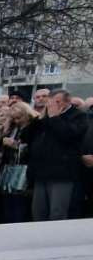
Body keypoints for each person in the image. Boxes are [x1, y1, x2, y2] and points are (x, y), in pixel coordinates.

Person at [21, 88, 88, 221]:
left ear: (66, 102)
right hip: (41, 172)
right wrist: (40, 118)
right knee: (38, 211)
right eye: (51, 101)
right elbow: (26, 136)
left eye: (56, 101)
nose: (52, 104)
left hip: (62, 173)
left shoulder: (78, 116)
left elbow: (69, 135)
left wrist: (55, 118)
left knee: (57, 212)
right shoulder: (47, 116)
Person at [0, 100, 37, 224]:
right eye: (14, 118)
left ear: (27, 114)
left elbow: (35, 149)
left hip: (25, 169)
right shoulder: (12, 127)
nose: (17, 120)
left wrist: (17, 146)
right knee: (7, 201)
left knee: (20, 203)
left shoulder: (34, 127)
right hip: (8, 168)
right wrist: (6, 126)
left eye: (19, 117)